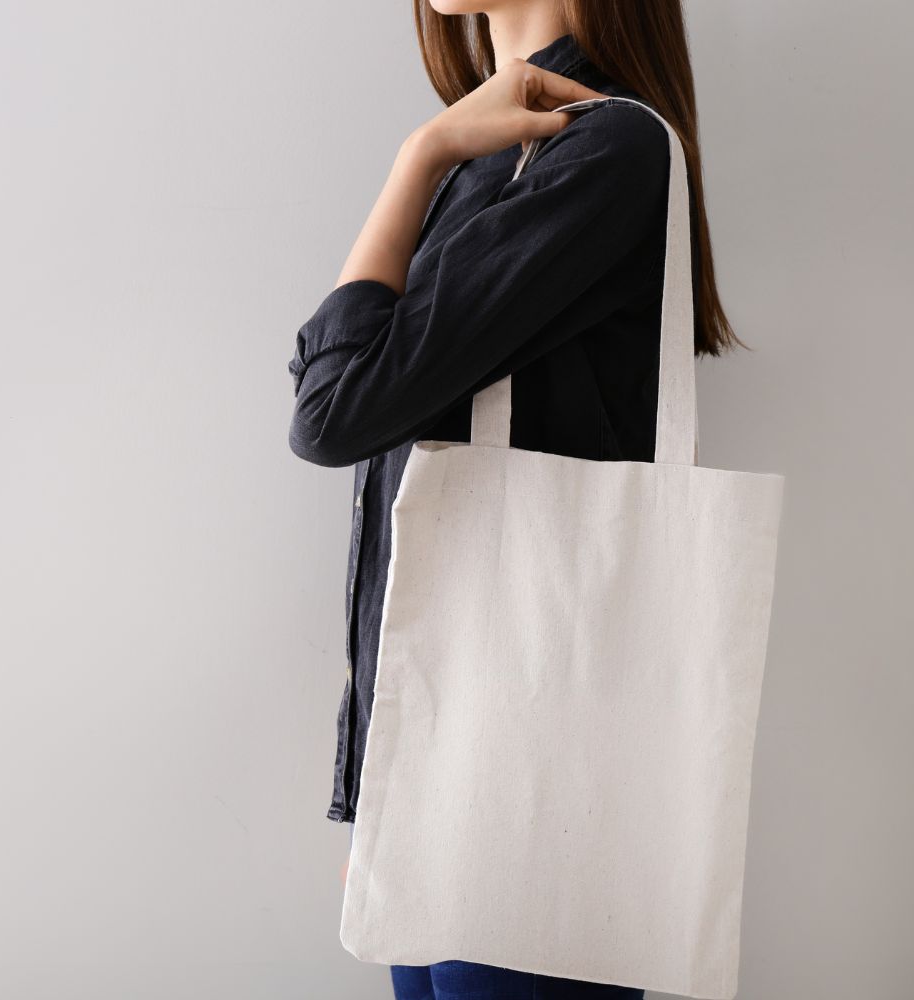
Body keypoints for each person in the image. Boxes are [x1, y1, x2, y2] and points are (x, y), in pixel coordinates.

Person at [288, 2, 741, 996]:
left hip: (524, 776)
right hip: (437, 758)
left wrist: (416, 158)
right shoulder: (489, 154)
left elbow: (333, 412)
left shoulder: (605, 150)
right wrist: (379, 796)